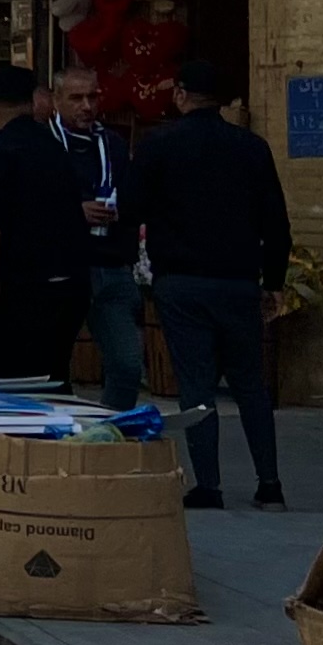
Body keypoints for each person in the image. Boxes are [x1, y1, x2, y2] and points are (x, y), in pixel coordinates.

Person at [129, 57, 293, 507]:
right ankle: (270, 483)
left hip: (180, 282)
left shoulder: (157, 145)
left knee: (196, 384)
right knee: (249, 384)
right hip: (239, 280)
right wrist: (274, 281)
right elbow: (276, 221)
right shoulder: (251, 147)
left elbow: (131, 209)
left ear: (181, 94)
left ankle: (209, 485)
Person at [0, 64, 93, 382]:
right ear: (34, 99)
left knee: (20, 380)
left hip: (21, 285)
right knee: (56, 374)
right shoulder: (54, 145)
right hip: (70, 282)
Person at [51, 66, 144, 411]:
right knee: (52, 365)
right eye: (76, 98)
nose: (87, 105)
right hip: (63, 267)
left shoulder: (113, 143)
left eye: (92, 96)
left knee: (127, 364)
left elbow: (135, 194)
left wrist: (124, 210)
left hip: (111, 264)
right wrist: (76, 212)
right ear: (56, 99)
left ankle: (112, 432)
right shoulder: (45, 143)